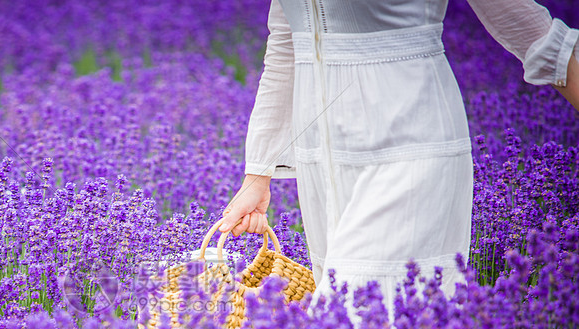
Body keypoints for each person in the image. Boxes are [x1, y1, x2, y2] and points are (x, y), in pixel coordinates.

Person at [219, 0, 579, 312]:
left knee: (351, 324)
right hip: (322, 160)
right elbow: (285, 46)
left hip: (410, 144)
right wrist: (258, 174)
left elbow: (527, 26)